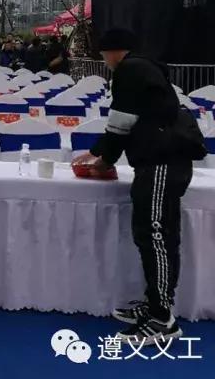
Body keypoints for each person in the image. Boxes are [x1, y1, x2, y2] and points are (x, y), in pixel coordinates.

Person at [81, 28, 205, 344]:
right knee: (158, 234)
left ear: (113, 51)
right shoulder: (144, 68)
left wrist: (104, 160)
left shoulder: (130, 70)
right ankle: (155, 304)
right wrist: (98, 152)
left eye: (103, 55)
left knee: (155, 236)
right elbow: (130, 119)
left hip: (161, 163)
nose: (104, 61)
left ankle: (162, 318)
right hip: (163, 162)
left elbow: (121, 122)